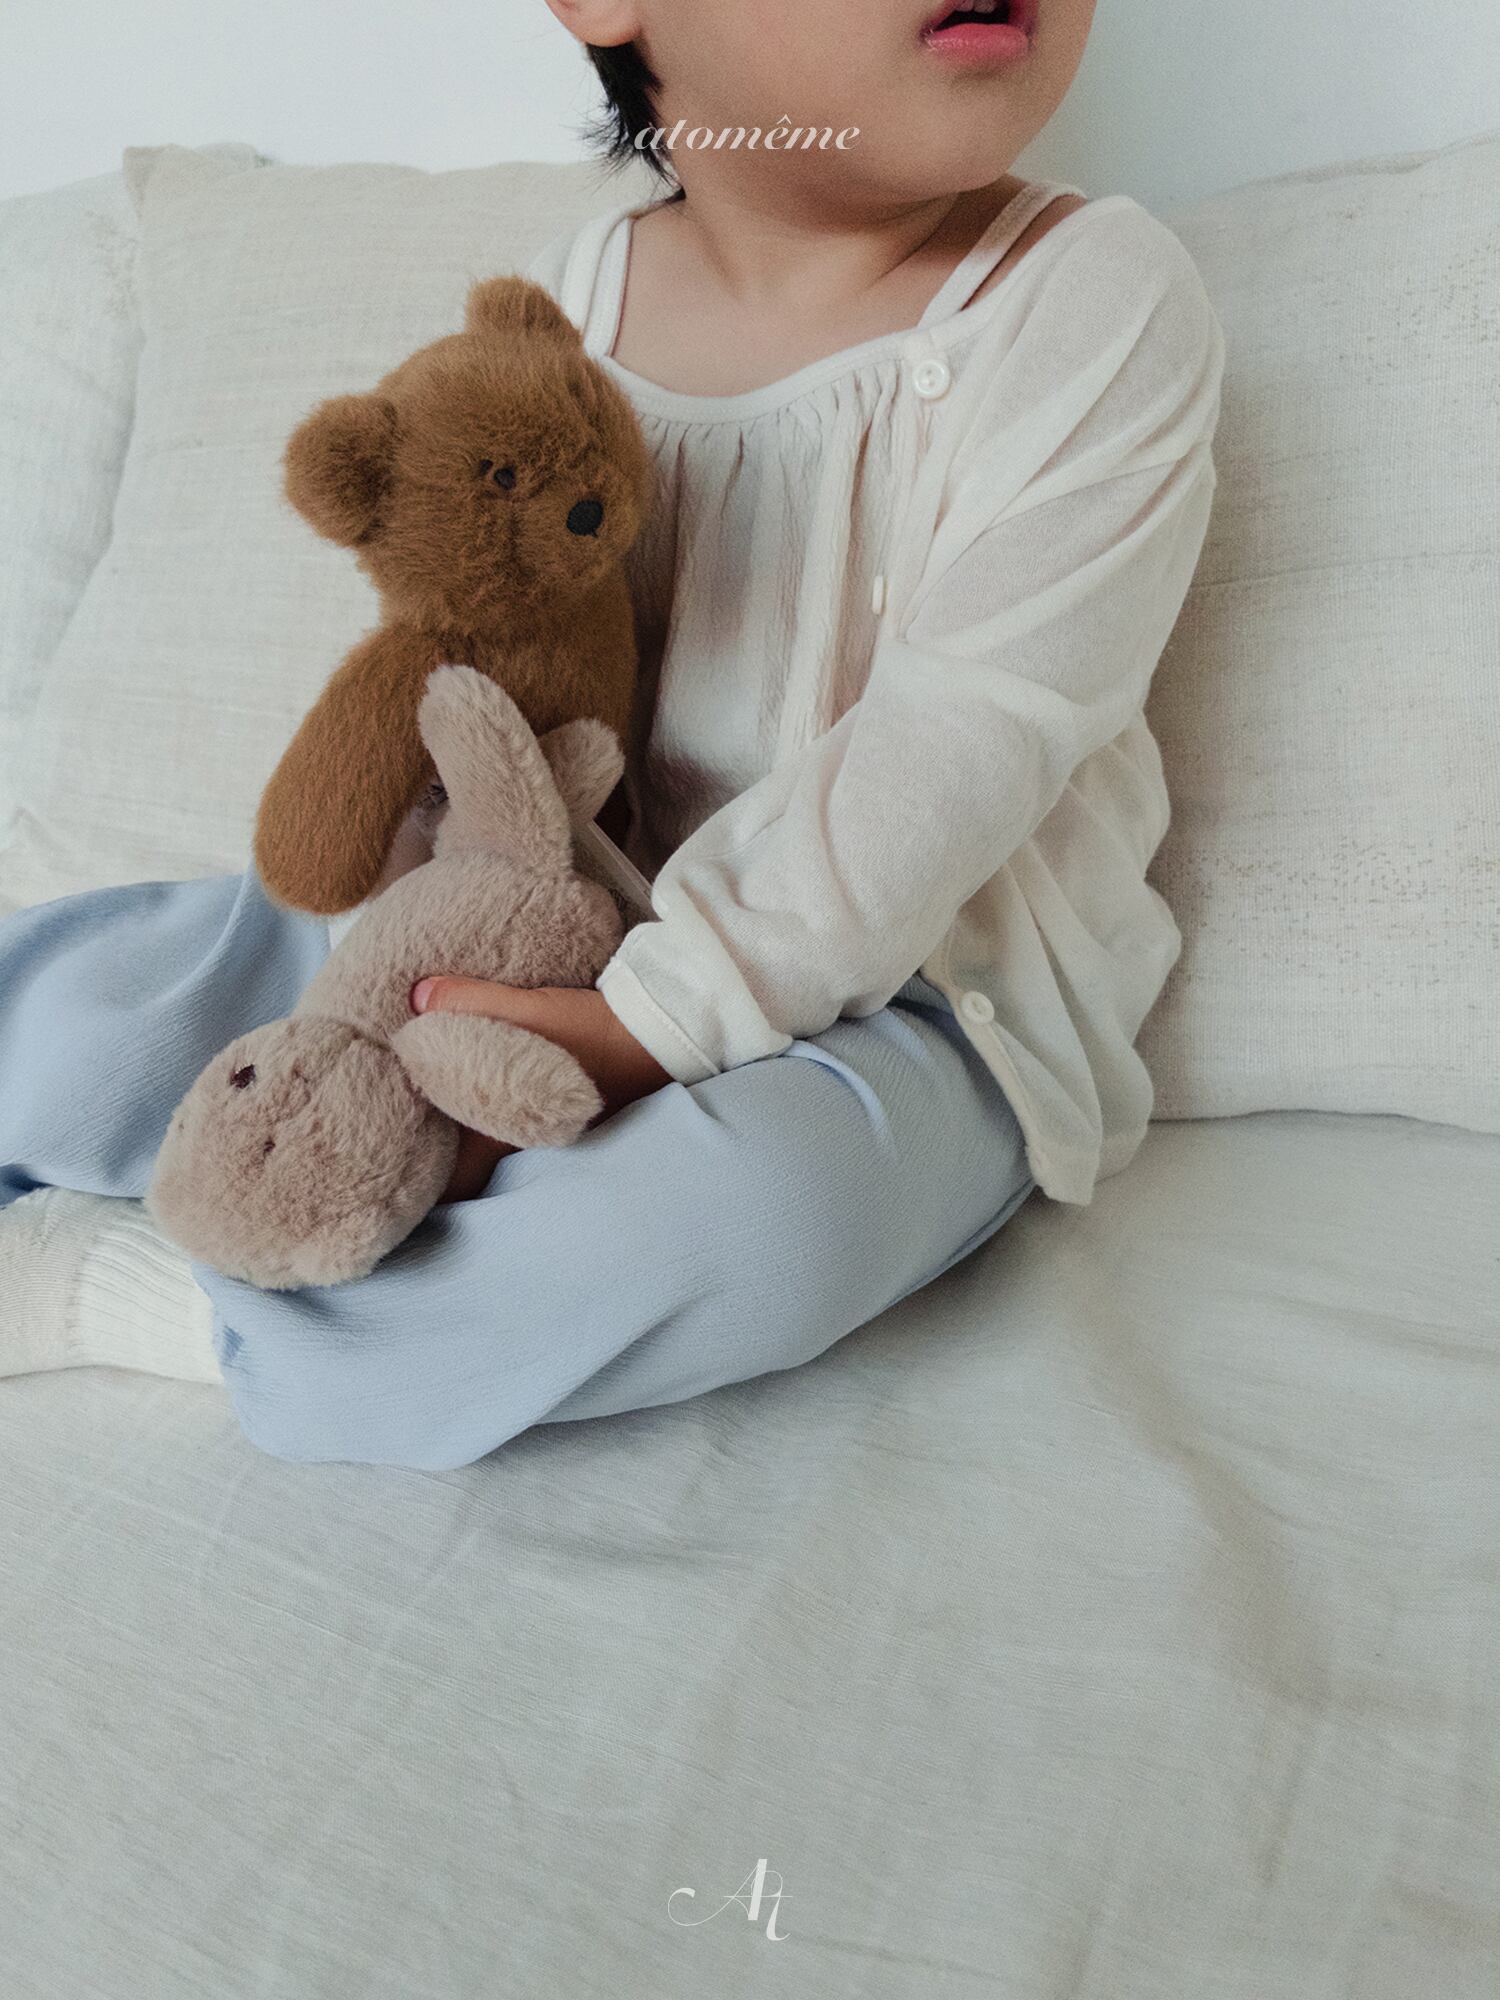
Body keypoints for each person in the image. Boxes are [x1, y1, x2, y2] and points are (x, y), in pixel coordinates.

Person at [0, 0, 1224, 1469]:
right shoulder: (574, 305)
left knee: (759, 1220)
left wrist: (647, 1026)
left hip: (917, 1004)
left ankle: (161, 1304)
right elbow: (479, 660)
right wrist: (406, 921)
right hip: (529, 900)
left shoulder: (1091, 301)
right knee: (116, 1003)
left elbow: (964, 743)